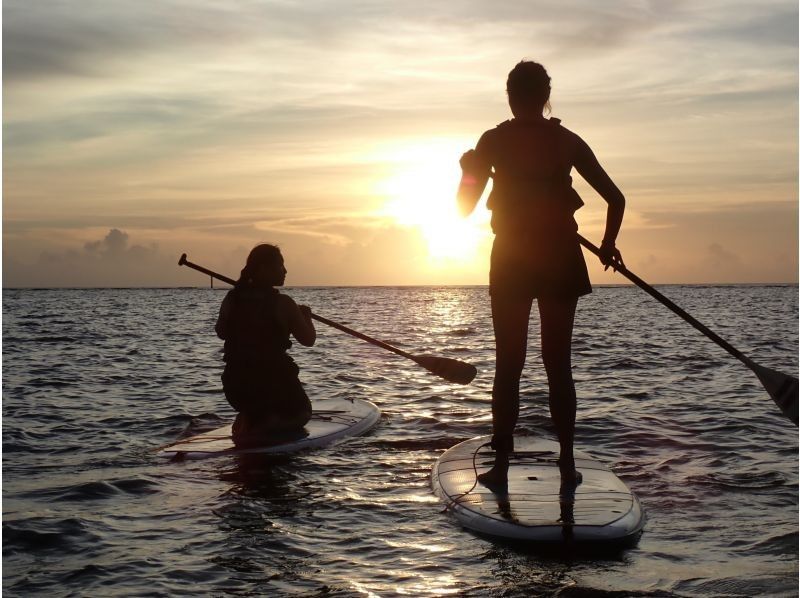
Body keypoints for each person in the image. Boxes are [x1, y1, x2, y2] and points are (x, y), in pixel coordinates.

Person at [457, 60, 625, 488]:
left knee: (508, 364)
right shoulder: (567, 140)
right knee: (558, 365)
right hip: (559, 256)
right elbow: (615, 198)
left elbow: (463, 208)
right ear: (546, 96)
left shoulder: (492, 141)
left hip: (513, 256)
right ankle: (567, 463)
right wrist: (607, 245)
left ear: (510, 96)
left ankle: (501, 467)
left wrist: (468, 170)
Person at [215, 244, 316, 448]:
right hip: (272, 385)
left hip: (236, 386)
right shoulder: (284, 304)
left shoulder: (232, 299)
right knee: (304, 413)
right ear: (263, 269)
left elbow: (221, 332)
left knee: (256, 400)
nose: (285, 271)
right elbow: (308, 340)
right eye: (280, 266)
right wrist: (305, 316)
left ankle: (252, 417)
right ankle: (268, 422)